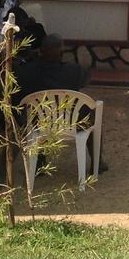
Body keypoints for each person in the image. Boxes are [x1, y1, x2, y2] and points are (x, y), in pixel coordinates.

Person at [13, 34, 104, 174]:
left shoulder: (25, 71)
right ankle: (97, 162)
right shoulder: (73, 70)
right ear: (62, 53)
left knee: (36, 112)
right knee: (94, 112)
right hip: (70, 123)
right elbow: (85, 80)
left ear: (40, 51)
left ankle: (39, 160)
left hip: (37, 124)